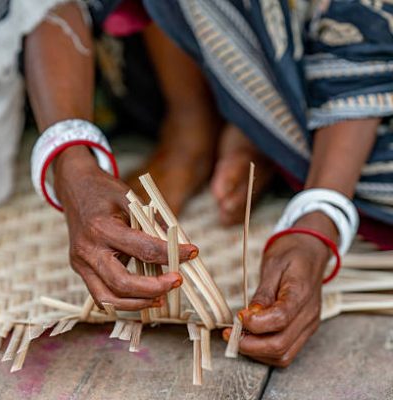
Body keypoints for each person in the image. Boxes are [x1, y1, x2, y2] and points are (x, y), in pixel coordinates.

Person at [25, 0, 393, 368]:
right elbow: (38, 9)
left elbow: (368, 23)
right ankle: (206, 119)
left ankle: (249, 124)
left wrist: (319, 213)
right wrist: (70, 157)